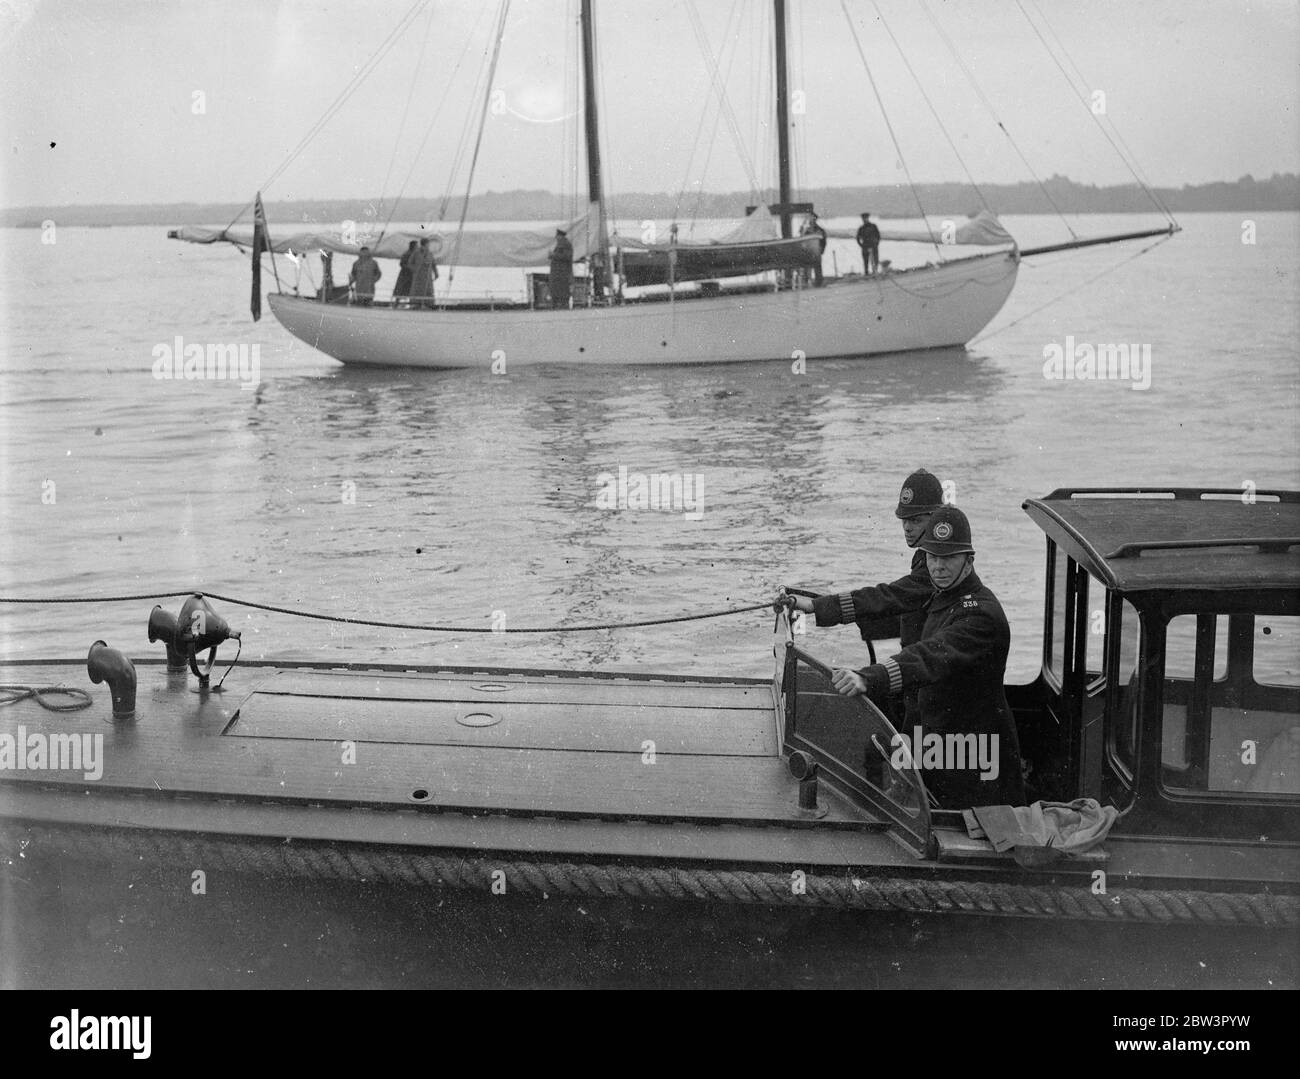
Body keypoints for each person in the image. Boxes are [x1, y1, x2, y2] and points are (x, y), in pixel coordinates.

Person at [828, 506, 1025, 810]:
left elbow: (931, 655)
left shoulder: (980, 614)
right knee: (869, 753)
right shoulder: (944, 597)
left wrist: (869, 677)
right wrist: (827, 610)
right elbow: (897, 609)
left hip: (973, 762)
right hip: (941, 746)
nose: (938, 567)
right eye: (932, 558)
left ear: (969, 561)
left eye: (948, 558)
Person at [780, 468, 945, 727]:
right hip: (917, 684)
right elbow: (903, 606)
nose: (908, 528)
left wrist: (816, 606)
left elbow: (892, 596)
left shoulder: (935, 570)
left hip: (930, 698)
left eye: (916, 520)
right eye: (904, 520)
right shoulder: (927, 558)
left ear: (937, 520)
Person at [800, 212, 828, 286]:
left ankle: (819, 282)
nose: (810, 220)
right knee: (807, 267)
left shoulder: (819, 230)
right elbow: (802, 240)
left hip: (816, 251)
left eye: (812, 218)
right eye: (810, 218)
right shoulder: (806, 230)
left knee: (817, 267)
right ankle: (807, 281)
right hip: (808, 251)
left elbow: (824, 241)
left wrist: (822, 250)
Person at [410, 237, 438, 308]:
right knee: (417, 290)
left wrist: (436, 273)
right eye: (427, 244)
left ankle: (428, 304)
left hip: (427, 275)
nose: (428, 246)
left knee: (428, 289)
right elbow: (410, 262)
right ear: (425, 244)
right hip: (418, 275)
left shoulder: (430, 253)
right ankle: (416, 304)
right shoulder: (416, 252)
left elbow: (433, 264)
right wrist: (414, 269)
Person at [549, 229, 574, 308]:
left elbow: (567, 256)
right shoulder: (561, 244)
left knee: (562, 289)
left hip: (562, 272)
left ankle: (562, 304)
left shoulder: (566, 244)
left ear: (560, 236)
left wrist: (553, 255)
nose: (556, 238)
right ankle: (558, 304)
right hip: (558, 272)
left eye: (557, 236)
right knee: (557, 288)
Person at [393, 240, 417, 305]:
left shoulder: (416, 254)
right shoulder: (406, 254)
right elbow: (401, 264)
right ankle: (397, 303)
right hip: (405, 274)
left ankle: (411, 303)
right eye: (416, 246)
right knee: (401, 288)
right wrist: (409, 267)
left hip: (412, 274)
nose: (417, 247)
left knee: (411, 289)